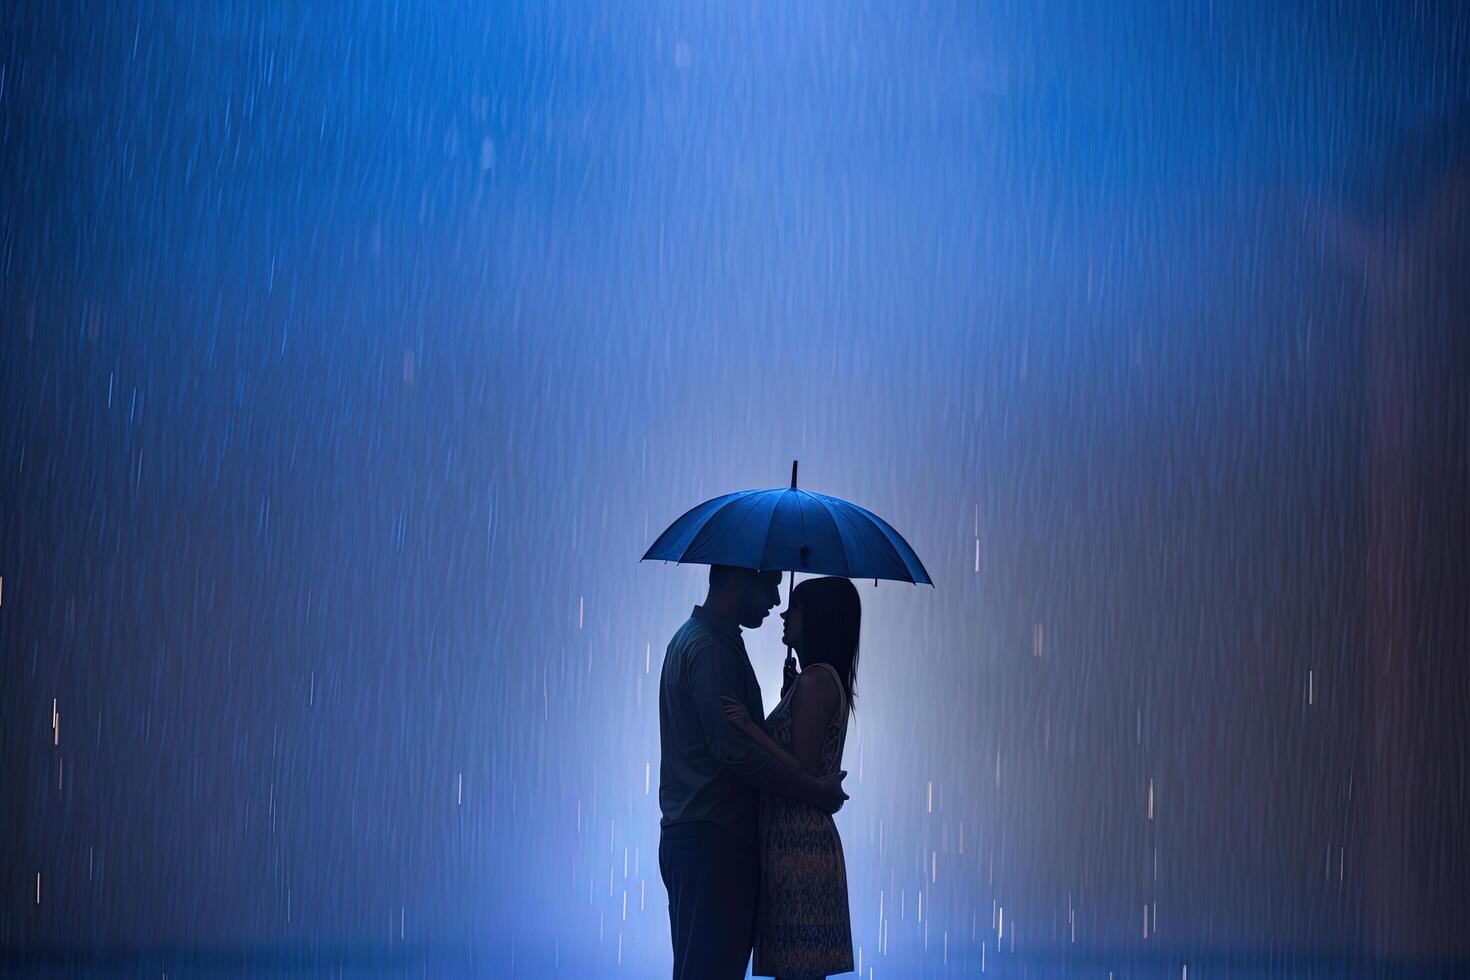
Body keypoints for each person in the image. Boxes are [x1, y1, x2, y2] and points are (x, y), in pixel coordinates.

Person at [658, 564, 850, 980]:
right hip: (714, 838)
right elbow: (734, 751)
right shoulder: (712, 649)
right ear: (743, 579)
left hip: (705, 836)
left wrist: (781, 714)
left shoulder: (706, 642)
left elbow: (740, 742)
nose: (776, 603)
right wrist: (814, 790)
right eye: (772, 587)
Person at [722, 576, 859, 979]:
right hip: (793, 842)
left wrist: (749, 727)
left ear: (817, 617)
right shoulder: (811, 680)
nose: (784, 612)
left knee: (797, 971)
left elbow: (800, 770)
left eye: (795, 606)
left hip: (799, 845)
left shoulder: (816, 681)